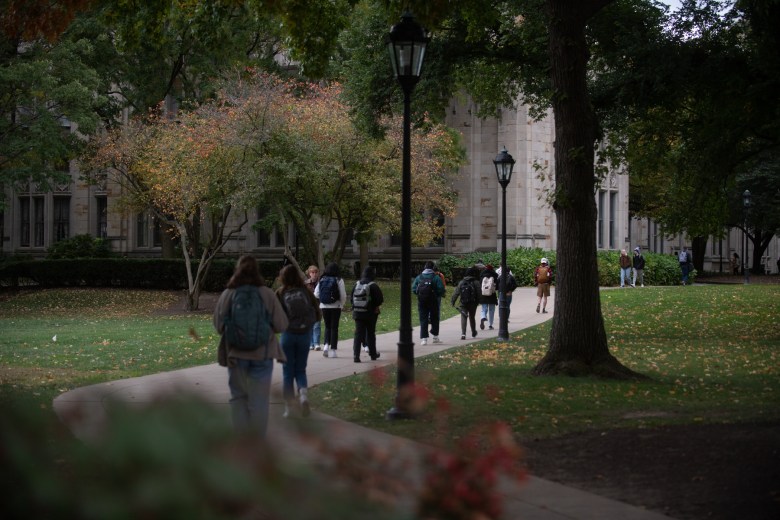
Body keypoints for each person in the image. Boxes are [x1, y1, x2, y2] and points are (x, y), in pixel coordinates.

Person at [213, 255, 288, 438]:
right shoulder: (266, 294)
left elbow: (218, 325)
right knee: (259, 401)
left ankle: (242, 442)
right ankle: (257, 443)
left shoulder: (229, 294)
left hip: (236, 355)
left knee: (238, 398)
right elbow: (281, 325)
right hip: (262, 355)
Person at [276, 264, 321, 418]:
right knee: (301, 369)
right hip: (304, 335)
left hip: (288, 335)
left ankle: (289, 407)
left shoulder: (280, 293)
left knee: (287, 373)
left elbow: (275, 315)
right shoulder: (306, 292)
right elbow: (317, 313)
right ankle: (303, 396)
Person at [350, 266, 384, 362]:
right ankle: (373, 354)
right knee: (370, 334)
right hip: (370, 314)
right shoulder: (373, 285)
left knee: (358, 334)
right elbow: (380, 299)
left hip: (357, 313)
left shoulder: (356, 284)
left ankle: (356, 356)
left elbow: (351, 298)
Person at [314, 262, 347, 358]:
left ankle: (325, 346)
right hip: (336, 306)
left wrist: (323, 300)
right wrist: (341, 304)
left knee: (327, 327)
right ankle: (333, 350)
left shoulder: (322, 279)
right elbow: (343, 295)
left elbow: (316, 293)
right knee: (334, 328)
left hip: (324, 306)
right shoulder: (339, 280)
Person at [412, 261, 446, 345]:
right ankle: (435, 337)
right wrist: (437, 295)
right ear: (432, 268)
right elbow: (441, 289)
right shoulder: (436, 277)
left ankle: (424, 339)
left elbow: (413, 288)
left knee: (423, 318)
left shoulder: (419, 277)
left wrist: (420, 294)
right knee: (435, 317)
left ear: (424, 267)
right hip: (433, 300)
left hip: (422, 301)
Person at [451, 266, 481, 340]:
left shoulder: (461, 282)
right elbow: (479, 293)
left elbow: (456, 293)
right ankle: (473, 332)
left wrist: (452, 301)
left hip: (463, 303)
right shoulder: (476, 282)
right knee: (472, 317)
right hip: (473, 303)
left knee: (463, 317)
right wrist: (479, 301)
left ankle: (463, 334)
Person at [304, 265, 322, 351]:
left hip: (318, 306)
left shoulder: (321, 282)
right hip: (308, 306)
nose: (314, 274)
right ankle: (310, 343)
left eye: (316, 272)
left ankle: (316, 343)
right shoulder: (306, 283)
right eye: (312, 272)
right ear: (309, 274)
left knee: (317, 325)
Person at [479, 264, 498, 330]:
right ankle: (490, 325)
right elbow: (497, 286)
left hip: (484, 294)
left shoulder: (481, 276)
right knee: (491, 310)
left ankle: (483, 317)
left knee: (484, 308)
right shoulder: (494, 276)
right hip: (492, 294)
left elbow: (480, 285)